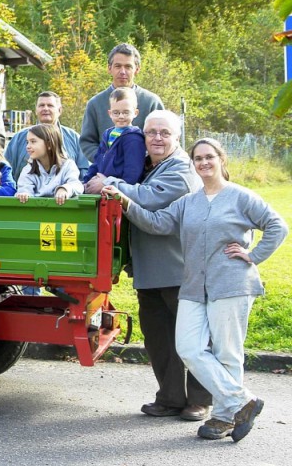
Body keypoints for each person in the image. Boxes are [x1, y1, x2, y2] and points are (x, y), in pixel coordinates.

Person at [105, 139, 287, 442]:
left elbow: (277, 226)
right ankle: (243, 401)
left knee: (227, 353)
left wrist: (253, 256)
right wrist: (125, 201)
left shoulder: (241, 197)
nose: (203, 163)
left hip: (230, 283)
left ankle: (225, 417)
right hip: (193, 285)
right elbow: (157, 223)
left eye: (209, 157)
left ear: (221, 159)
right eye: (198, 158)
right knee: (189, 348)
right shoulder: (189, 201)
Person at [87, 110, 211, 420]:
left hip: (177, 268)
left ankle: (200, 399)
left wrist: (110, 183)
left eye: (164, 133)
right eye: (151, 132)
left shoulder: (180, 169)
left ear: (177, 138)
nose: (157, 138)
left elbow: (150, 199)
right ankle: (170, 397)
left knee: (190, 338)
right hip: (151, 270)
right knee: (159, 339)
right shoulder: (151, 166)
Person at [79, 43, 164, 163]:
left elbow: (163, 138)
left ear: (137, 69)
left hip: (147, 172)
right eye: (118, 66)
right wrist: (106, 160)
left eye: (128, 67)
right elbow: (87, 142)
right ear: (109, 68)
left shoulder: (152, 102)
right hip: (106, 173)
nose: (123, 71)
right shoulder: (95, 104)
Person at [4, 91, 89, 178]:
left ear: (59, 110)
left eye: (50, 105)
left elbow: (85, 172)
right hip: (25, 190)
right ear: (36, 110)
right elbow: (6, 169)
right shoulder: (19, 138)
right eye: (41, 105)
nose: (45, 108)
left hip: (64, 190)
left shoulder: (74, 138)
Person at [83, 87, 146, 187]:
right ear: (110, 113)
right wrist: (86, 181)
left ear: (135, 113)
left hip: (118, 191)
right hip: (102, 186)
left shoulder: (134, 138)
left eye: (126, 112)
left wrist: (121, 188)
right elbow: (98, 161)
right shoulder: (107, 135)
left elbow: (133, 170)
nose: (121, 116)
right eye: (116, 112)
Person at [15, 123, 82, 205]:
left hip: (61, 214)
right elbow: (24, 188)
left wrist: (64, 189)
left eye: (33, 141)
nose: (28, 146)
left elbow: (77, 185)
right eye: (27, 142)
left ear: (49, 144)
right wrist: (24, 194)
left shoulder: (68, 165)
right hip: (37, 213)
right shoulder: (28, 169)